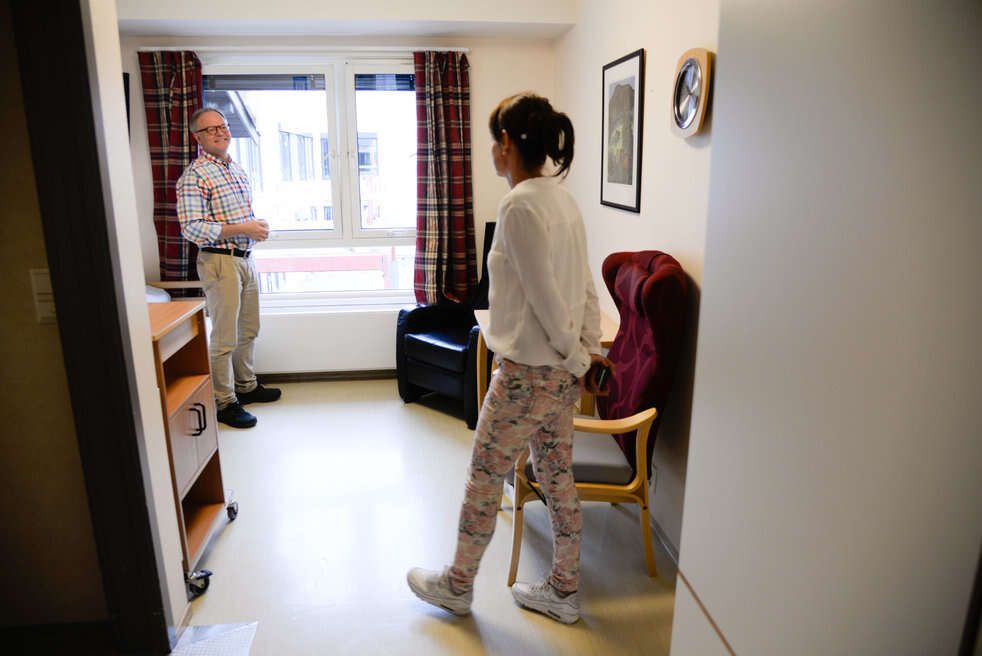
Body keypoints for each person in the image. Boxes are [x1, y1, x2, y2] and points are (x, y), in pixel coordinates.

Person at [407, 93, 612, 625]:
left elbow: (546, 300)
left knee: (483, 477)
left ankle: (457, 586)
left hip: (527, 376)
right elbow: (584, 288)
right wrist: (586, 354)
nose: (492, 152)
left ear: (505, 144)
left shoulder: (520, 205)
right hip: (559, 376)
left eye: (492, 141)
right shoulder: (563, 200)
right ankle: (563, 590)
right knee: (557, 477)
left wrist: (576, 358)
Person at [176, 107, 281, 429]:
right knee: (224, 338)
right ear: (197, 137)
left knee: (248, 329)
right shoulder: (195, 176)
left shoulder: (235, 169)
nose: (220, 132)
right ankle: (224, 402)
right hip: (219, 261)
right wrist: (244, 228)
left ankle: (246, 386)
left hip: (244, 259)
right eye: (211, 129)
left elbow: (234, 219)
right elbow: (192, 228)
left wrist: (253, 228)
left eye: (222, 126)